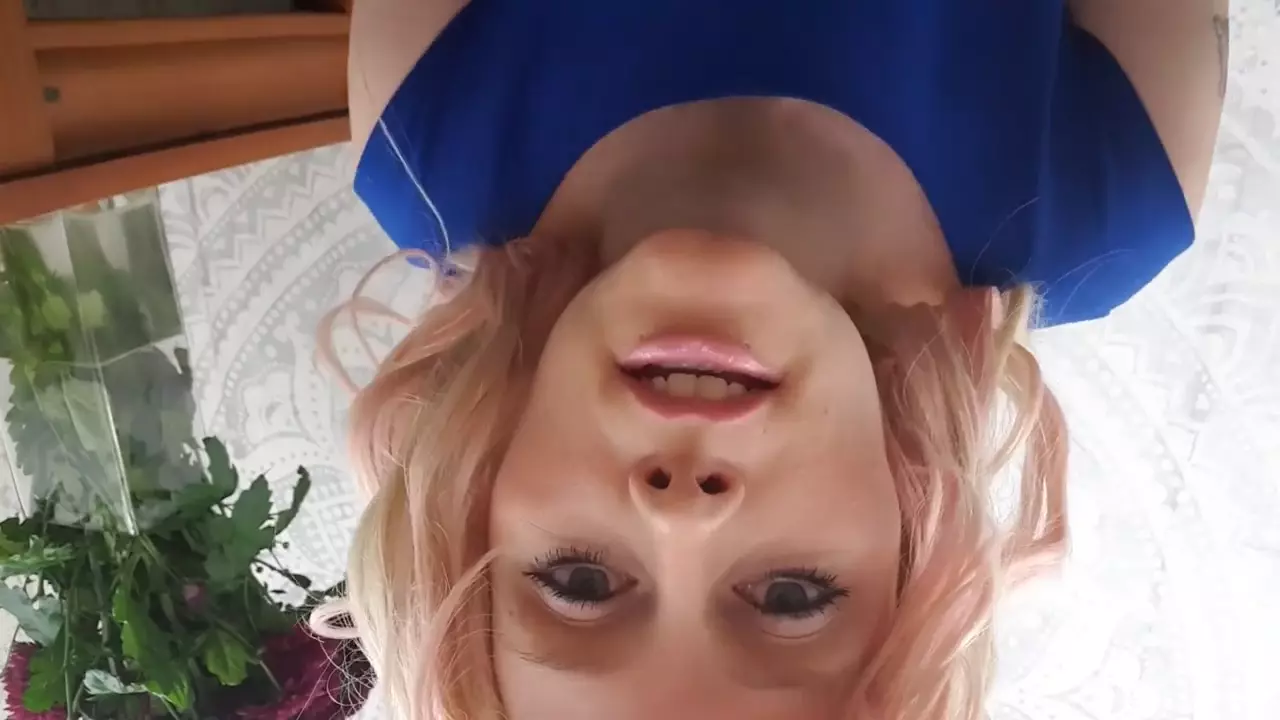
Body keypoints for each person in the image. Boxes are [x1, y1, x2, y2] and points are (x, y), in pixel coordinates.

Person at [312, 2, 1228, 719]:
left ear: (478, 507)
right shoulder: (1119, 182)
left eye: (580, 582)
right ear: (911, 549)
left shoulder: (421, 117)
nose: (681, 513)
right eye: (791, 597)